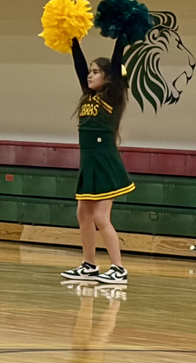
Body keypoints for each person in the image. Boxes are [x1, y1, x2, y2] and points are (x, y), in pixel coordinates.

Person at [59, 36, 134, 286]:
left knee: (102, 217)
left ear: (109, 77)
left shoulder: (112, 97)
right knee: (83, 214)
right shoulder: (88, 96)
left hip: (105, 162)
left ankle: (118, 268)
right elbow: (79, 68)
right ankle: (89, 265)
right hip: (88, 163)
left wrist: (120, 40)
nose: (89, 76)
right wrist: (73, 41)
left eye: (95, 72)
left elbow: (116, 63)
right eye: (90, 72)